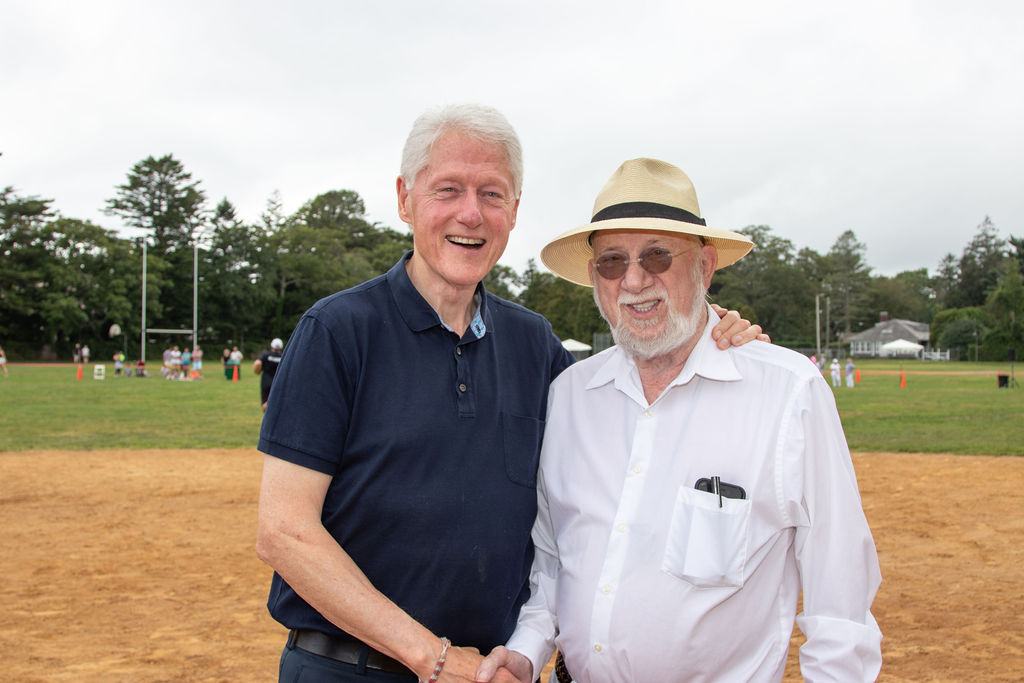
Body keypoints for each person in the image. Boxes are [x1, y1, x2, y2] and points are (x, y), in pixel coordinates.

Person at [255, 105, 764, 683]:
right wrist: (432, 658)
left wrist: (710, 331)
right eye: (448, 189)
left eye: (492, 194)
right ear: (405, 199)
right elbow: (284, 532)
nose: (471, 213)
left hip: (491, 670)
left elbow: (633, 405)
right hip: (350, 669)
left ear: (514, 210)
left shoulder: (533, 343)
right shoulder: (337, 330)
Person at [477, 158, 881, 682]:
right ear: (596, 277)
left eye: (658, 255)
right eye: (612, 262)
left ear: (705, 266)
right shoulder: (570, 395)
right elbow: (555, 563)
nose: (634, 280)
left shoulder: (787, 393)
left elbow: (840, 603)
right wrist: (528, 650)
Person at [253, 338, 284, 412]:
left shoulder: (266, 355)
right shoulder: (283, 356)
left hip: (266, 381)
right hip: (279, 382)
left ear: (271, 346)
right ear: (281, 347)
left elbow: (257, 363)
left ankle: (268, 417)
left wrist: (257, 371)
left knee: (265, 403)